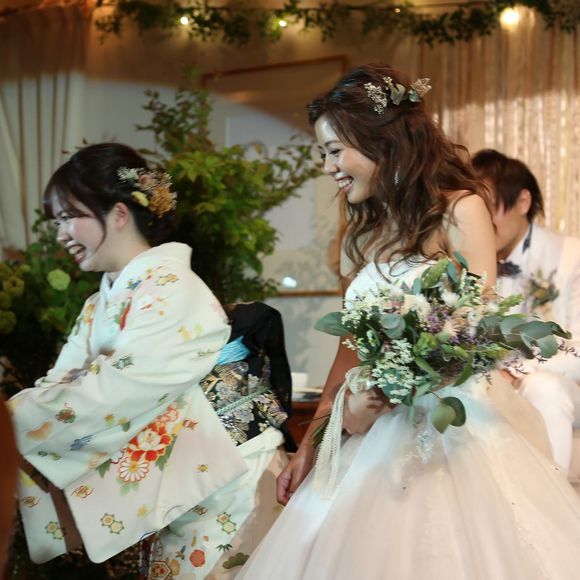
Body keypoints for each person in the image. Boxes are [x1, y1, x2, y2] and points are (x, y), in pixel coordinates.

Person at [237, 64, 580, 580]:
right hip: (367, 426)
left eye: (335, 150)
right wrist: (316, 439)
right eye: (323, 153)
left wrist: (394, 384)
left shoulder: (461, 209)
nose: (328, 167)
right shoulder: (363, 231)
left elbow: (474, 332)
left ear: (380, 140)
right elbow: (350, 348)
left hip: (449, 429)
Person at [6, 143, 286, 578]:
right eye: (56, 221)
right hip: (184, 475)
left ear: (119, 214)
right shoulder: (100, 303)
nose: (61, 234)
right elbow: (59, 385)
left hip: (227, 472)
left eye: (69, 217)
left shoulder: (171, 286)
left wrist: (9, 422)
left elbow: (114, 390)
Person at [472, 149, 580, 474]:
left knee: (543, 387)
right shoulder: (469, 264)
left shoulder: (572, 257)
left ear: (522, 202)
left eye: (488, 207)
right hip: (492, 382)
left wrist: (518, 370)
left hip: (565, 383)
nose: (481, 220)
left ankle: (554, 496)